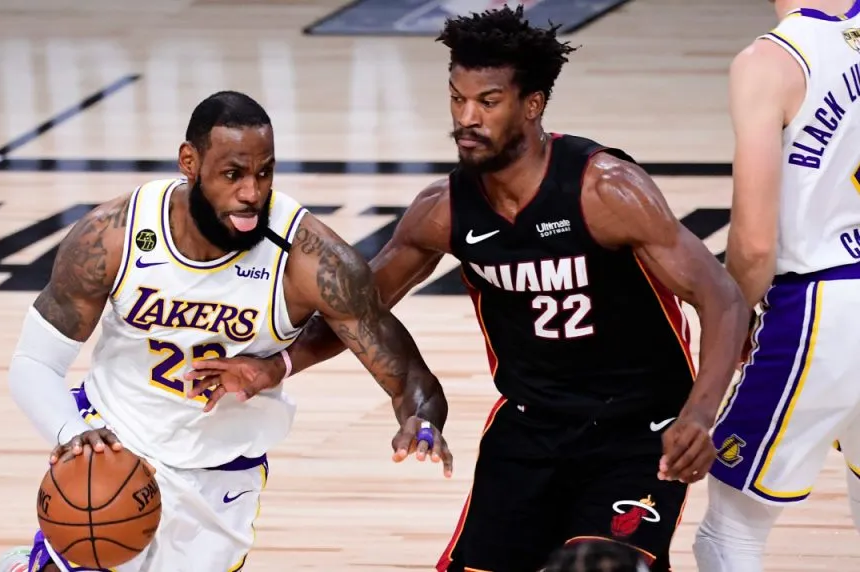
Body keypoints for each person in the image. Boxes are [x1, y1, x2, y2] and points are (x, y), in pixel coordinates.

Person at [182, 7, 751, 571]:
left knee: (602, 567)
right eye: (458, 99)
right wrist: (275, 366)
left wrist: (700, 414)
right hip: (529, 429)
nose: (467, 117)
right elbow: (357, 309)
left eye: (488, 102)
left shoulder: (604, 190)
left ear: (532, 105)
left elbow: (722, 298)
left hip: (637, 430)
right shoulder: (444, 209)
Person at [0, 90, 452, 572]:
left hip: (221, 472)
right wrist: (72, 433)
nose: (252, 192)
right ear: (189, 162)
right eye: (233, 174)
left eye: (264, 172)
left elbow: (410, 379)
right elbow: (34, 362)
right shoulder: (114, 233)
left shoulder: (310, 258)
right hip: (116, 444)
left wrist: (422, 421)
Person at [693, 0, 860, 569]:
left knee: (728, 533)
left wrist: (732, 320)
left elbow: (755, 243)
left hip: (820, 306)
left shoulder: (769, 61)